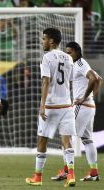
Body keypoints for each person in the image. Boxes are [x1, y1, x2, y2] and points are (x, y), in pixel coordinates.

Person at [25, 28, 76, 187]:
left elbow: (46, 81)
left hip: (51, 105)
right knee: (67, 141)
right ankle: (71, 176)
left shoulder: (47, 57)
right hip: (67, 105)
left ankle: (37, 178)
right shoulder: (68, 57)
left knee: (42, 141)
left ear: (51, 41)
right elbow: (71, 82)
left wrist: (42, 105)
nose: (42, 42)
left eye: (44, 39)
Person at [51, 42, 102, 182]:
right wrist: (92, 96)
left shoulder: (80, 64)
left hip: (82, 106)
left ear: (77, 52)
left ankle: (67, 171)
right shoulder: (77, 65)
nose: (68, 55)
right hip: (89, 106)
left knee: (66, 137)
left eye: (70, 52)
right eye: (66, 52)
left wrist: (84, 97)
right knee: (87, 139)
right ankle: (94, 172)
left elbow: (93, 78)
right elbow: (99, 79)